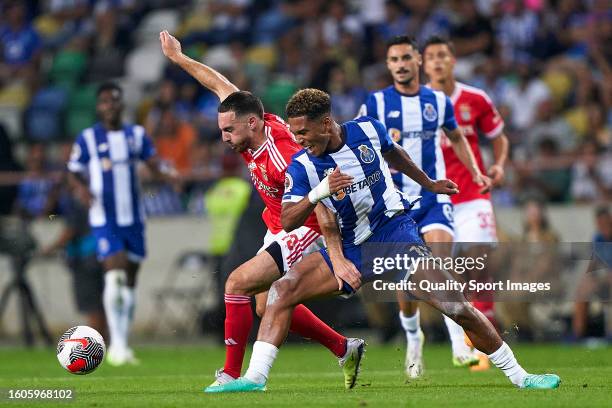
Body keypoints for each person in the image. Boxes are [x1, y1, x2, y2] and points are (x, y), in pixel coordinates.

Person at [212, 88, 560, 392]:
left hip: (394, 236)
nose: (299, 140)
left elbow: (395, 154)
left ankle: (521, 376)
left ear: (326, 122)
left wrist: (429, 183)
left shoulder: (368, 129)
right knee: (281, 292)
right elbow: (291, 220)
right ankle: (255, 378)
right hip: (349, 246)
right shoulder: (303, 166)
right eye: (294, 132)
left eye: (304, 132)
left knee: (456, 307)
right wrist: (320, 196)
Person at [159, 30, 365, 391]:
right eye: (222, 128)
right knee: (262, 306)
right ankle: (344, 347)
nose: (223, 136)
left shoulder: (283, 156)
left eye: (229, 129)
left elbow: (323, 198)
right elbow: (220, 85)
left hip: (307, 225)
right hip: (279, 223)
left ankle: (231, 375)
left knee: (236, 282)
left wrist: (336, 252)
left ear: (251, 123)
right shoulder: (252, 122)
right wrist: (179, 58)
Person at [358, 35, 491, 377]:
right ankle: (413, 337)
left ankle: (459, 343)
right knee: (409, 277)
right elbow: (358, 147)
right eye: (394, 60)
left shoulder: (438, 101)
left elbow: (458, 136)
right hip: (396, 203)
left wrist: (475, 170)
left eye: (405, 57)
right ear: (388, 66)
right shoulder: (374, 104)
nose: (400, 64)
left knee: (440, 264)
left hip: (434, 199)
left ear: (417, 60)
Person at [67, 82, 179, 366]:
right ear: (98, 106)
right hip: (105, 218)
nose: (110, 106)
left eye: (115, 100)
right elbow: (73, 172)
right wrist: (81, 189)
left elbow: (153, 163)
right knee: (114, 274)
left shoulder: (136, 135)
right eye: (105, 101)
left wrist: (168, 174)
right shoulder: (88, 138)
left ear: (121, 105)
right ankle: (114, 345)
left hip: (134, 219)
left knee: (129, 281)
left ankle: (123, 343)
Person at [423, 35, 510, 370]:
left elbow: (498, 137)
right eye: (431, 56)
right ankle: (465, 343)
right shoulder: (416, 103)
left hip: (472, 194)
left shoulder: (475, 98)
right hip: (434, 200)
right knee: (444, 272)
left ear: (453, 60)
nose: (438, 61)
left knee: (478, 261)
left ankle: (485, 342)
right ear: (423, 64)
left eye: (443, 55)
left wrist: (499, 164)